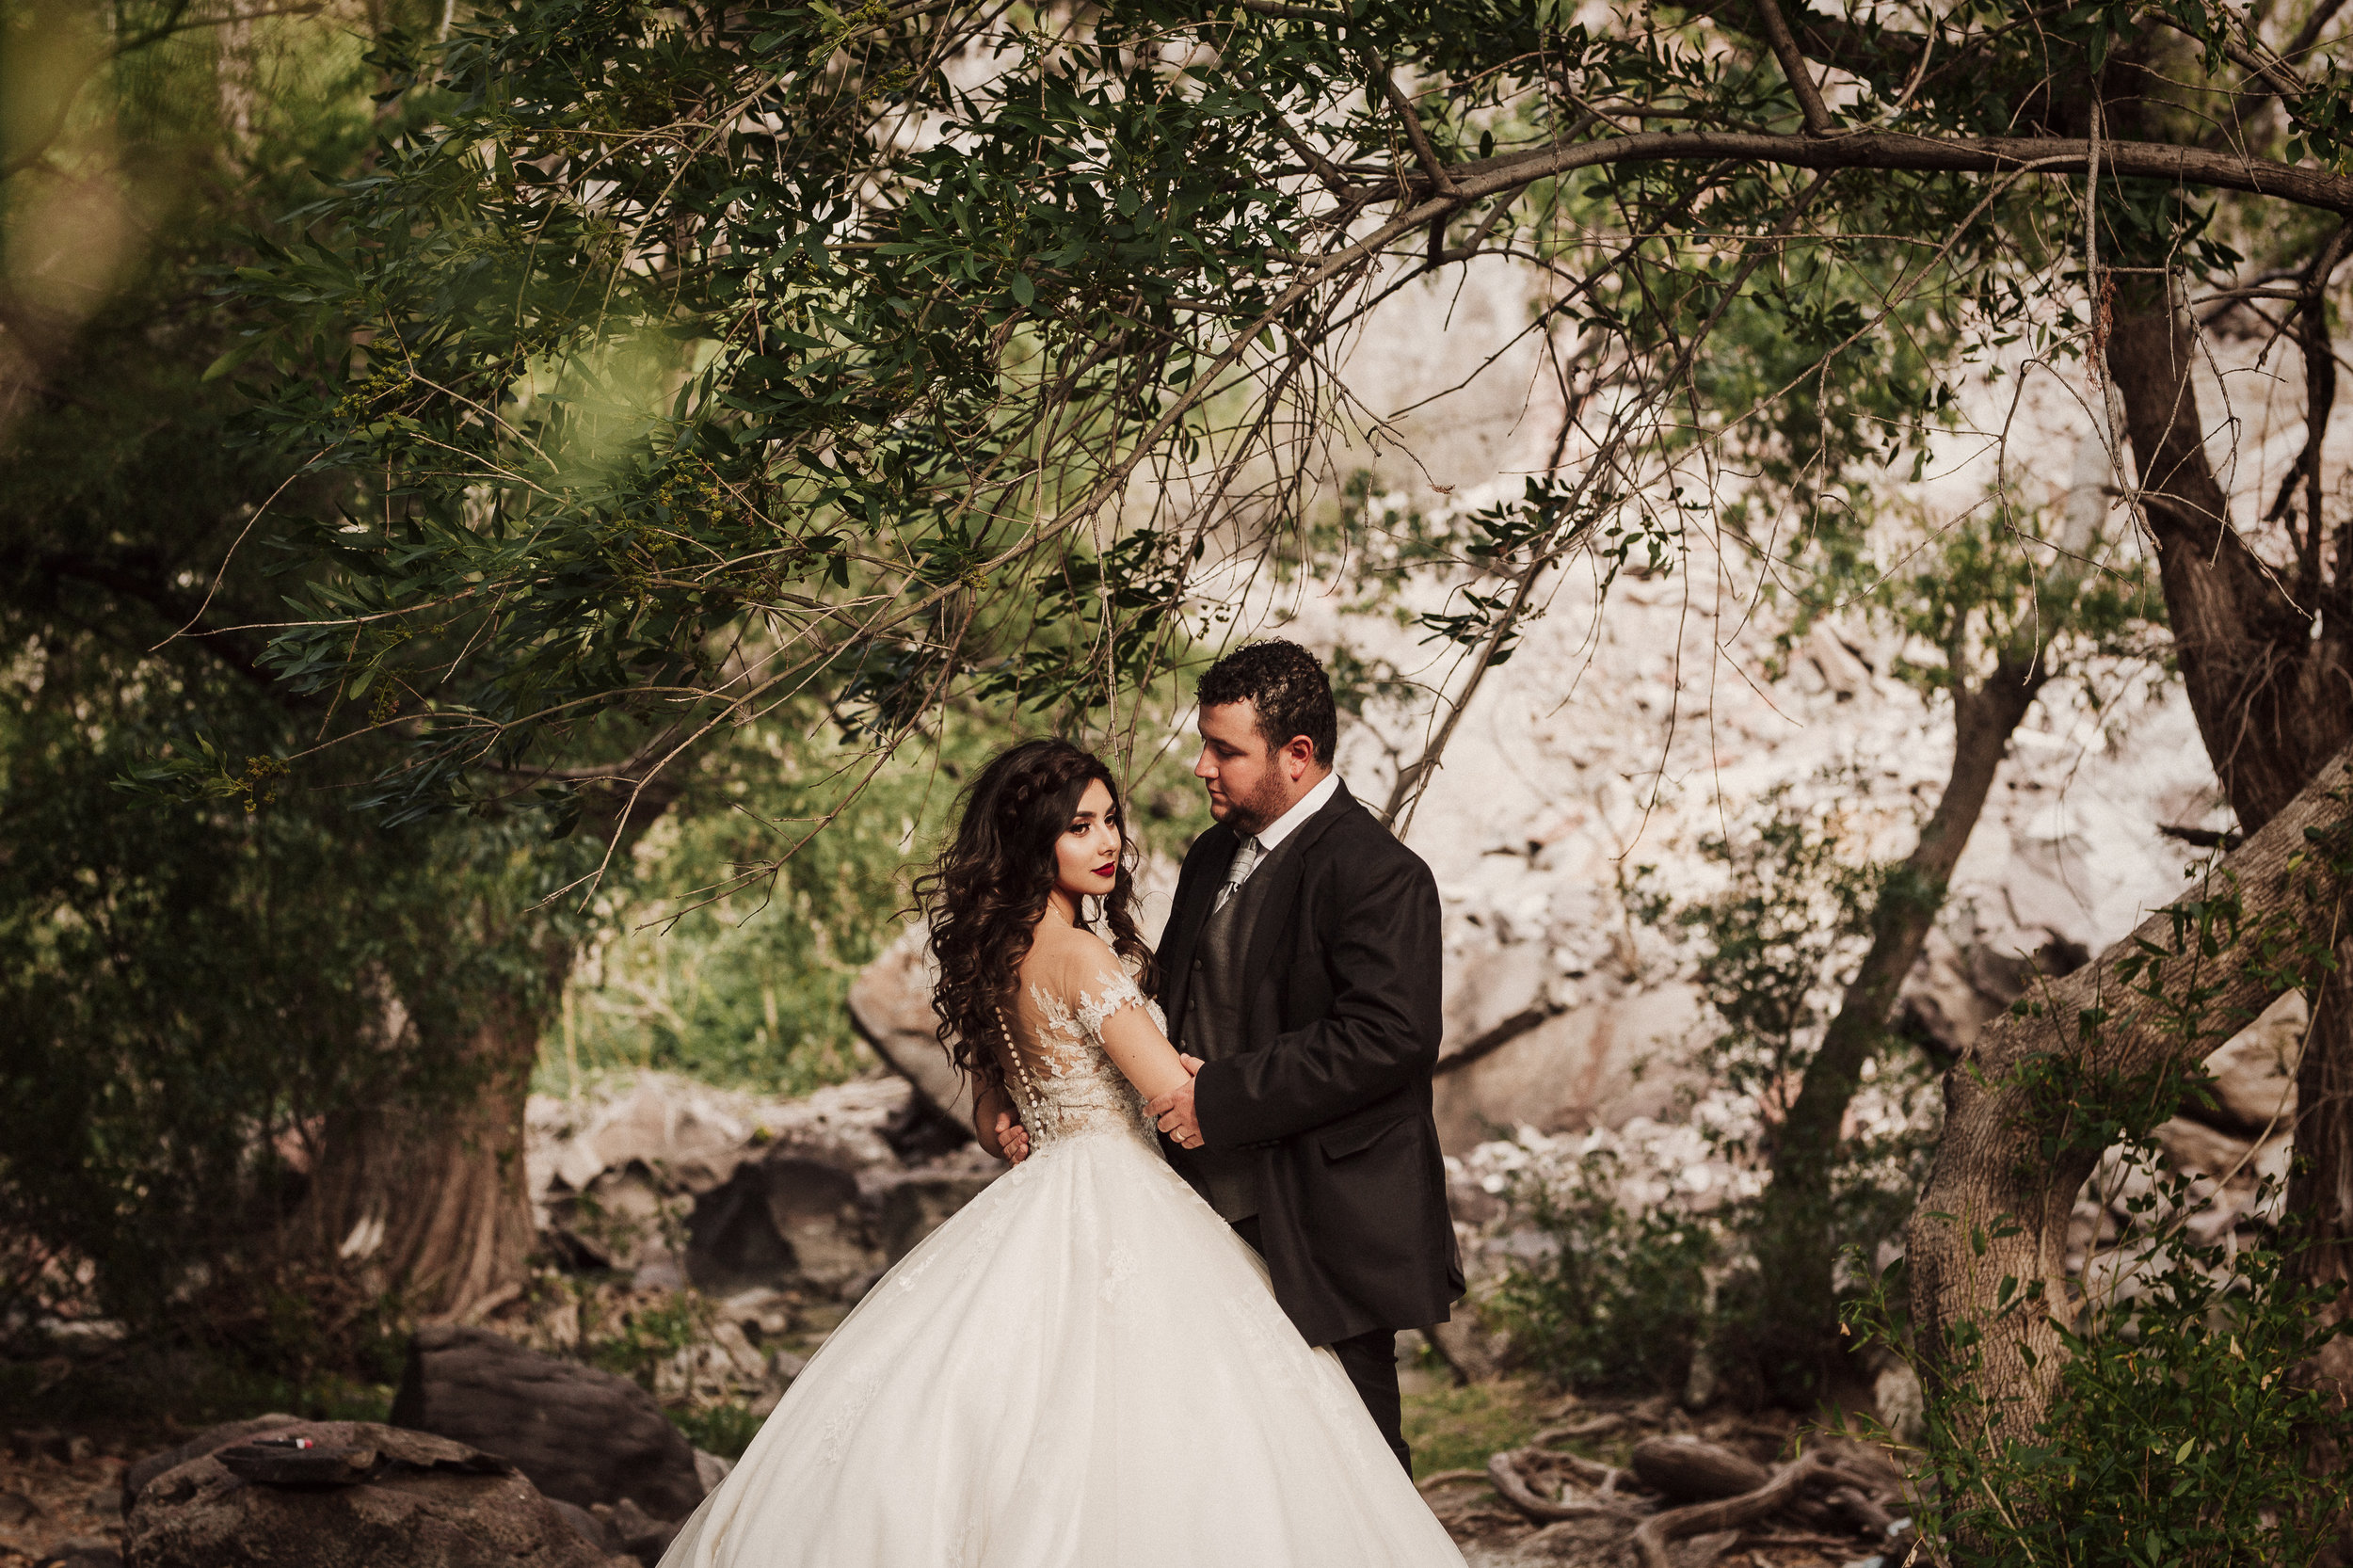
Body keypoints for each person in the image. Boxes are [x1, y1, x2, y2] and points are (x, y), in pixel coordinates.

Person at [657, 736, 1465, 1568]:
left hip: (1040, 1188)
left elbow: (988, 1111)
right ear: (1030, 842)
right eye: (1079, 827)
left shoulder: (992, 957)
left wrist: (1010, 1128)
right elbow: (1166, 1093)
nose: (1108, 841)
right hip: (1120, 1191)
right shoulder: (1081, 957)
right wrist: (1203, 1087)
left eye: (1110, 820)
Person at [1144, 639, 1462, 1471]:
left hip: (1327, 1217)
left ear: (1297, 754)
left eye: (1226, 750)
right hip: (1199, 1208)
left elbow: (1388, 1037)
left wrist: (1219, 1100)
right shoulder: (1213, 853)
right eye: (1205, 743)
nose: (1204, 767)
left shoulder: (1381, 874)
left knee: (1357, 1462)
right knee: (1231, 1455)